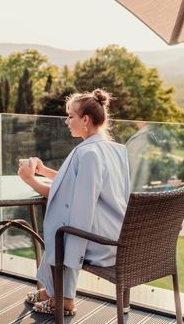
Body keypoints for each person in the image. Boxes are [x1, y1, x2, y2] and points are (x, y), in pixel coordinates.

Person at [17, 88, 130, 315]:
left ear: (85, 120)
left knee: (62, 229)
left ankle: (64, 300)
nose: (66, 121)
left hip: (100, 244)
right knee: (63, 227)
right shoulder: (114, 149)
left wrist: (30, 180)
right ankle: (50, 291)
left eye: (70, 116)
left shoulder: (87, 153)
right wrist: (44, 171)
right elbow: (75, 184)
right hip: (119, 235)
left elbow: (66, 199)